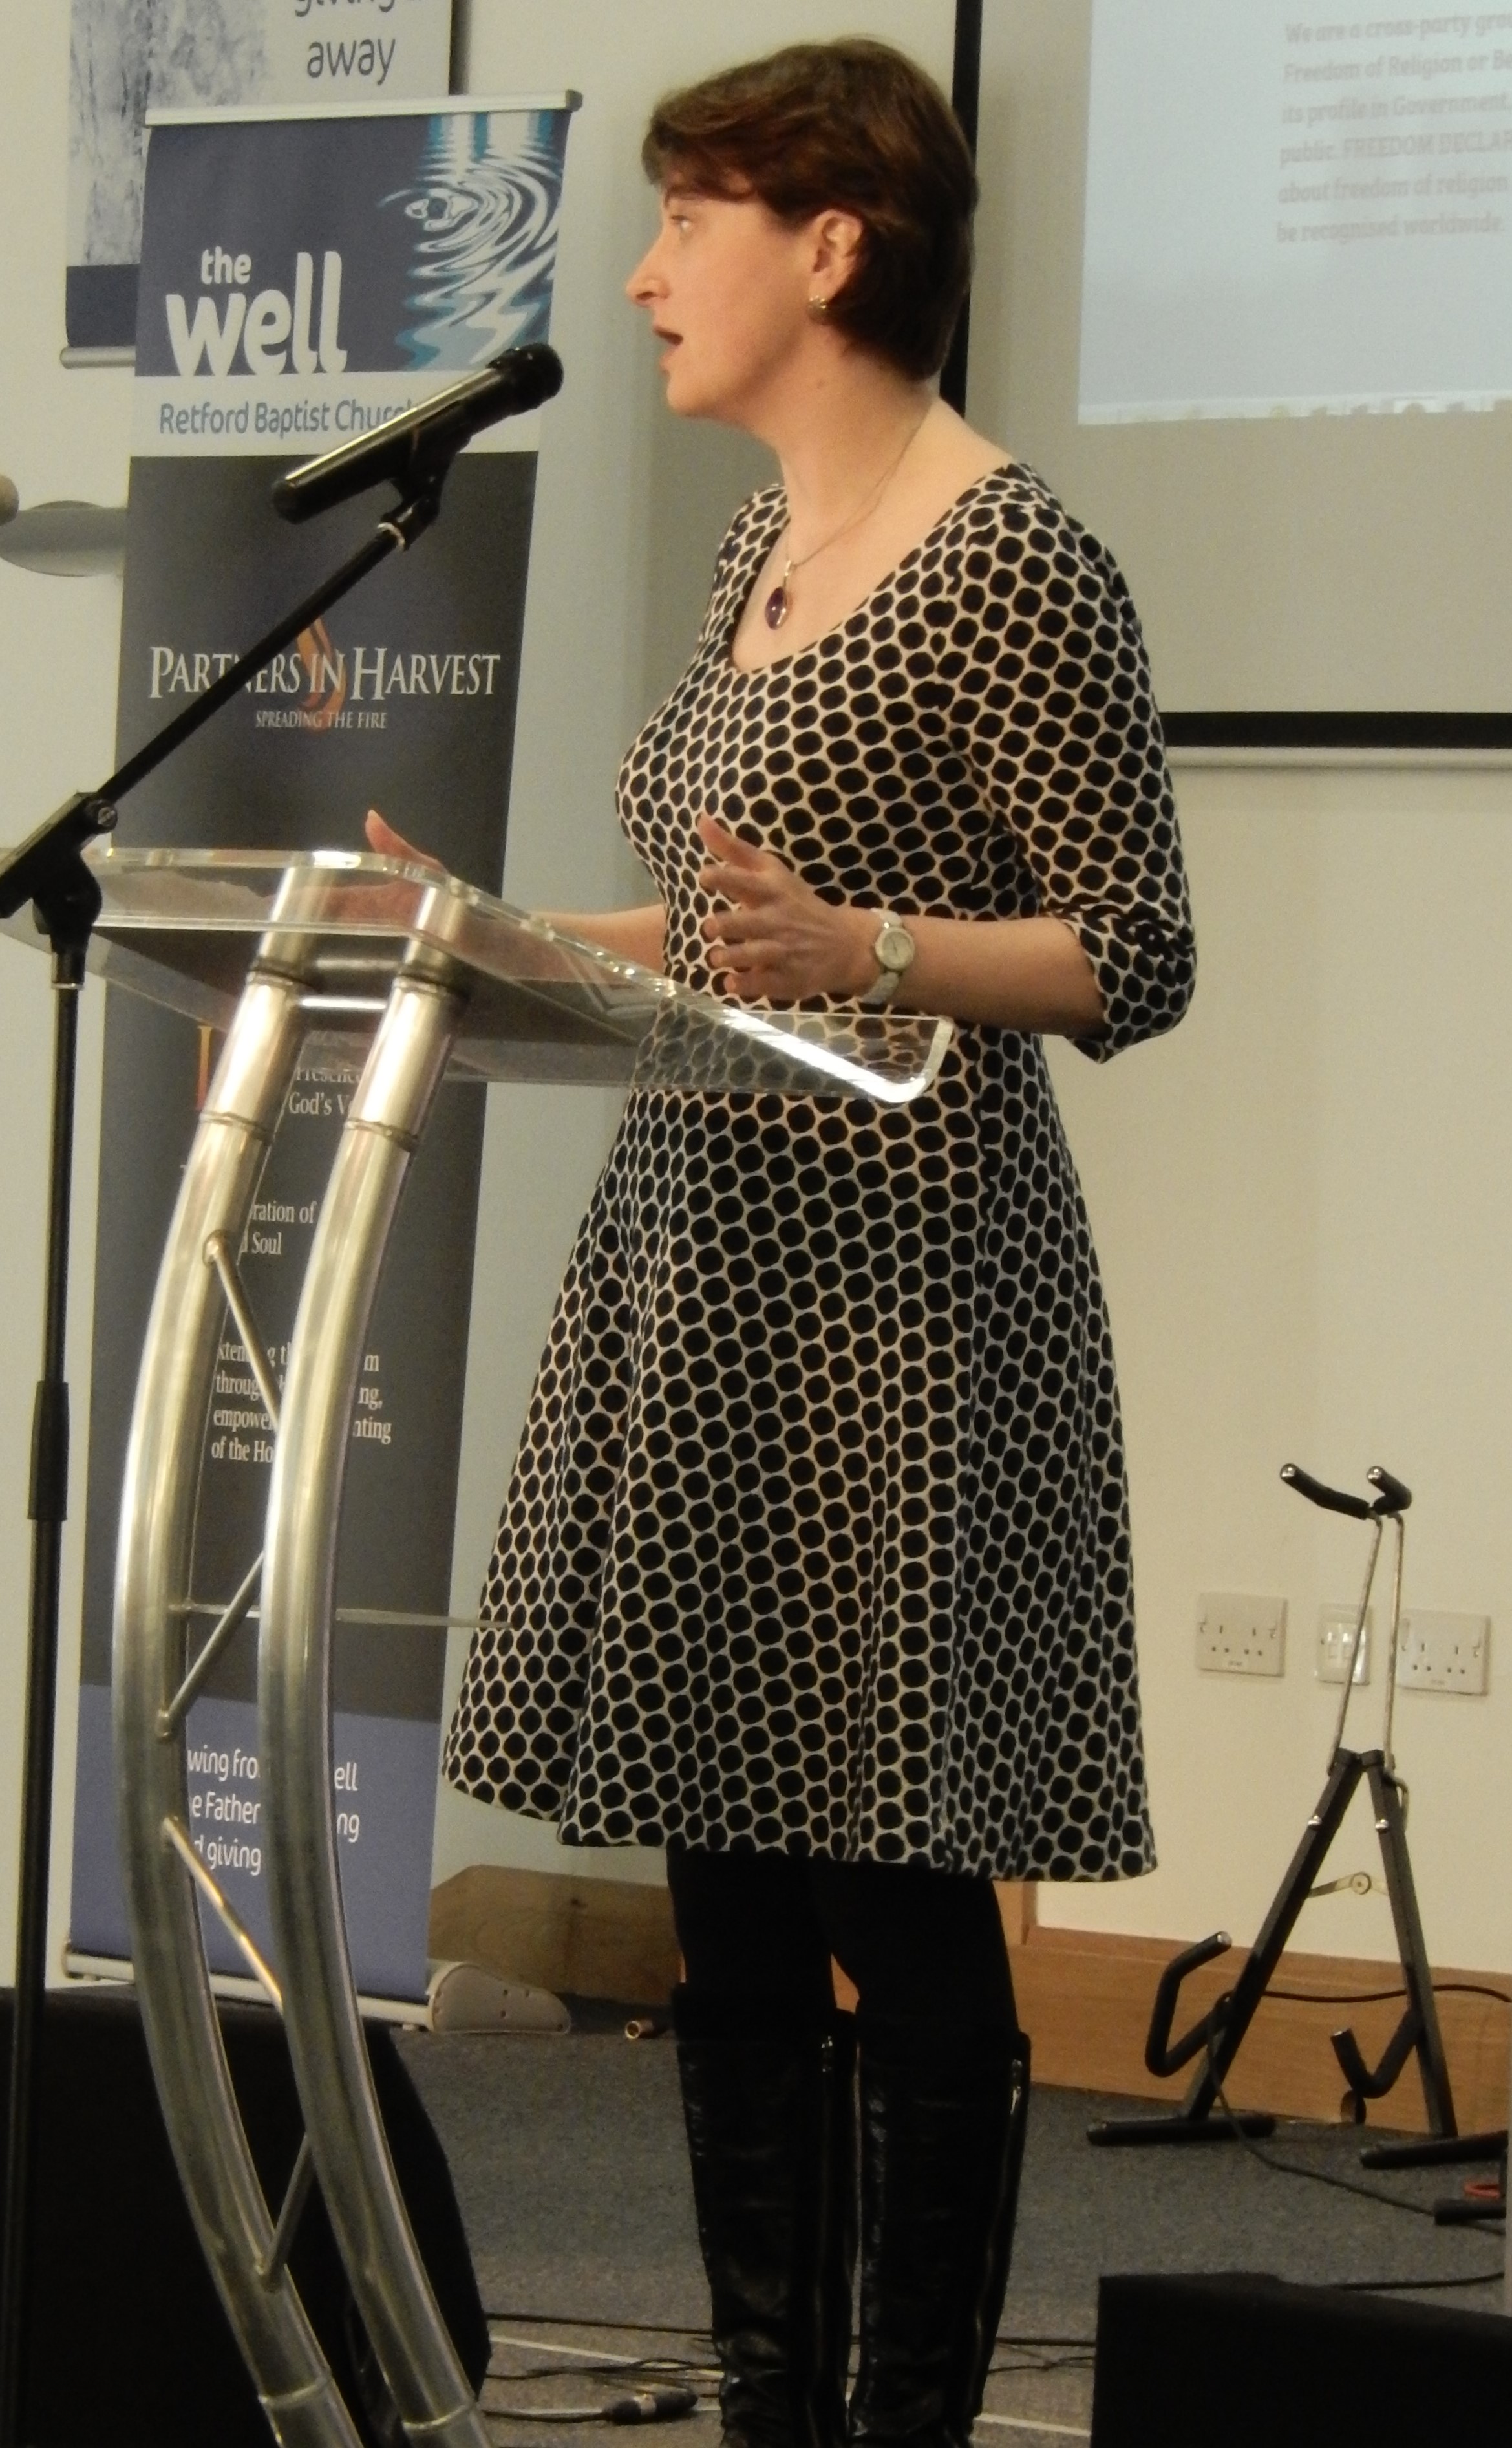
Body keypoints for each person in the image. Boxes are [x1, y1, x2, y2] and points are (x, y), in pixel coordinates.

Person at [373, 36, 1195, 2448]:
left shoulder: (1012, 556)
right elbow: (737, 933)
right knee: (724, 1891)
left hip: (898, 1299)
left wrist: (880, 951)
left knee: (890, 1889)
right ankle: (768, 2406)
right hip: (701, 1265)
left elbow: (1136, 951)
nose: (640, 277)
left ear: (832, 245)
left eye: (684, 223)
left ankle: (905, 2418)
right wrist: (502, 935)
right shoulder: (765, 547)